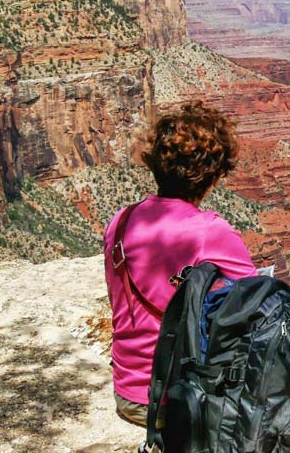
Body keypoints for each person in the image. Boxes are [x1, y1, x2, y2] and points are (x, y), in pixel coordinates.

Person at [103, 101, 257, 427]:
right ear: (213, 177)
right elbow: (256, 307)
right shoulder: (210, 231)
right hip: (179, 401)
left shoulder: (120, 221)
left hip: (128, 394)